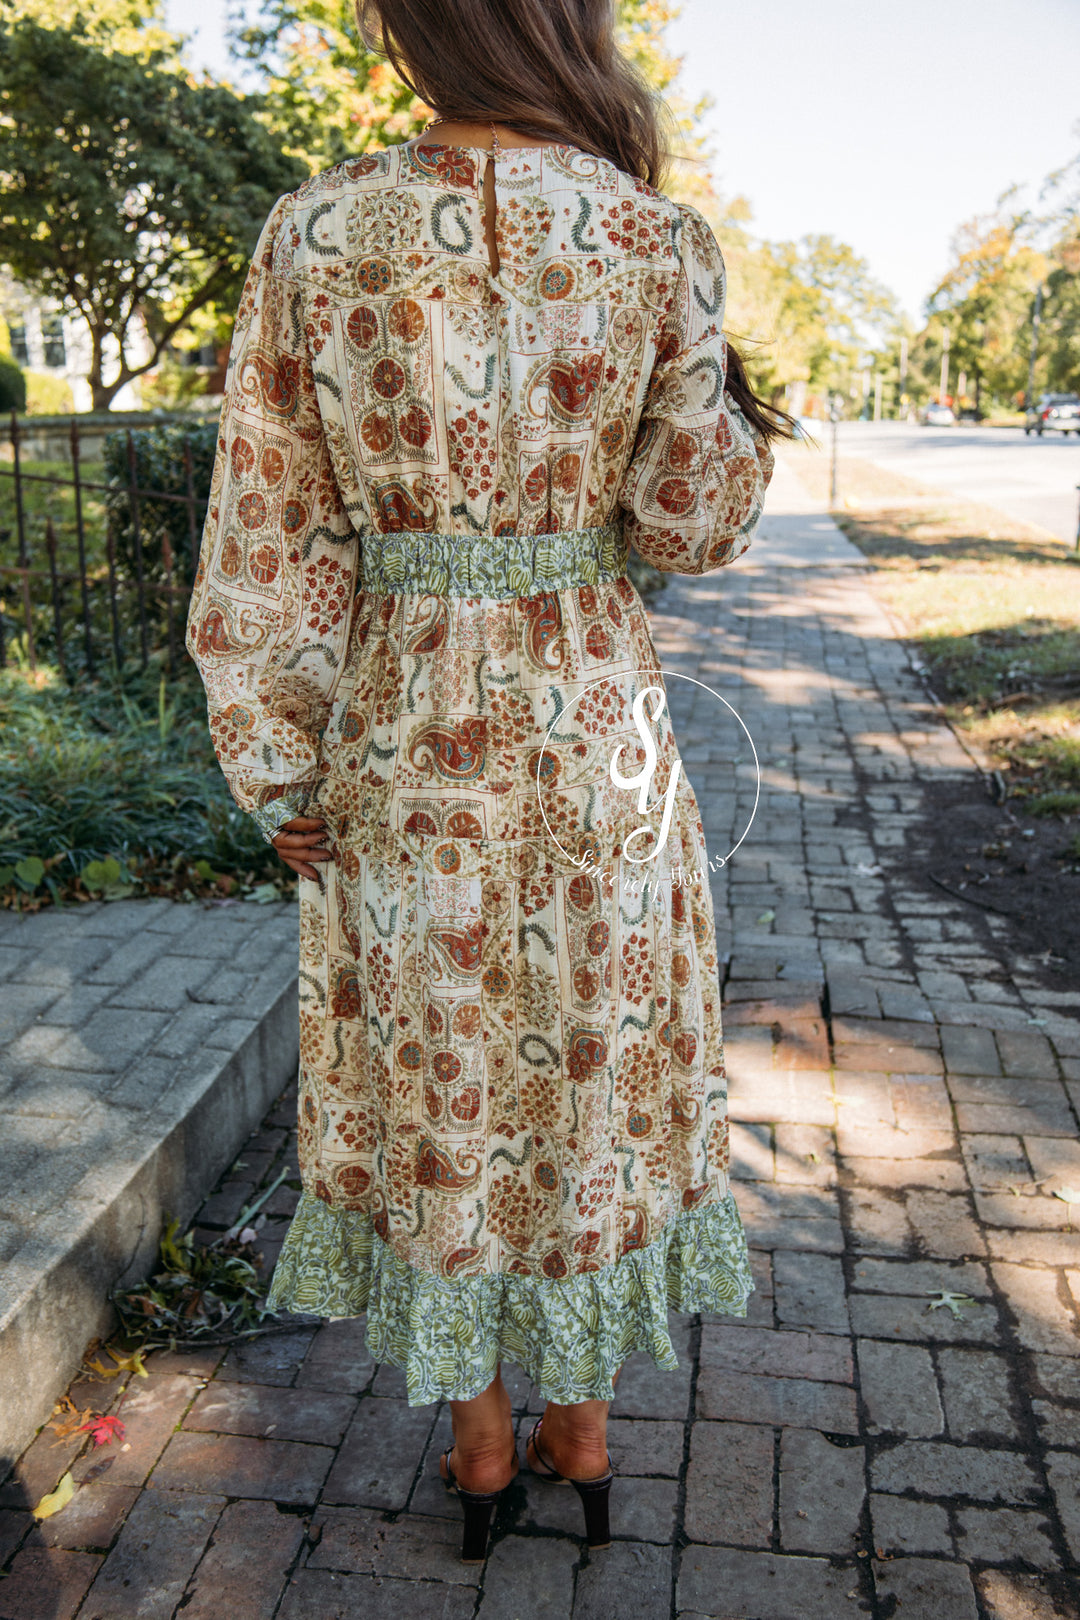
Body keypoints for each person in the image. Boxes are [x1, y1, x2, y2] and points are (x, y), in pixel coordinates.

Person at [187, 0, 793, 1565]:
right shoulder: (656, 238)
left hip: (404, 745)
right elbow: (687, 525)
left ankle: (475, 1454)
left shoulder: (314, 232)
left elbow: (267, 530)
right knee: (584, 1070)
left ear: (415, 27)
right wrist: (731, 411)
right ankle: (581, 1436)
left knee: (449, 1079)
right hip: (598, 740)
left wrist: (274, 757)